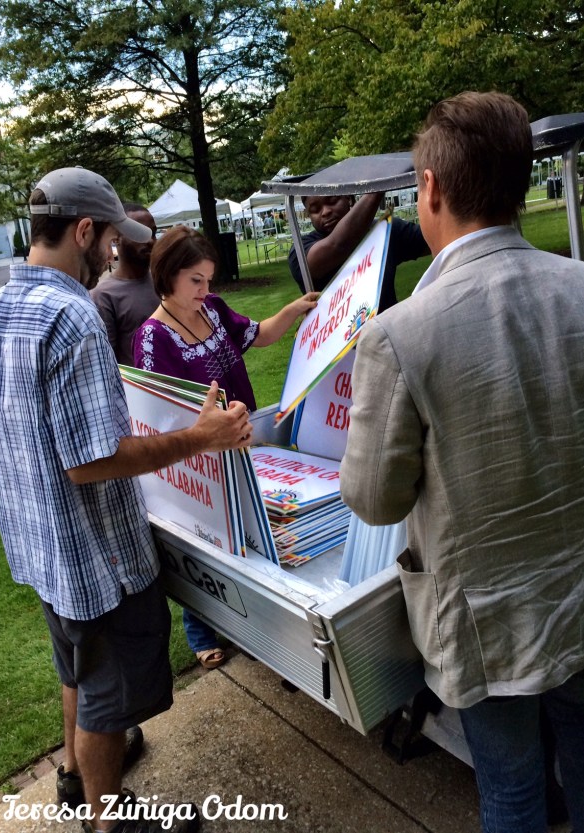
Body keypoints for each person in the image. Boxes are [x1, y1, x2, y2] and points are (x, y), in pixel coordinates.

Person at [0, 167, 253, 833]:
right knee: (104, 696)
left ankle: (72, 774)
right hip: (96, 556)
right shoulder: (74, 316)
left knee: (76, 667)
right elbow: (92, 459)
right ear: (85, 231)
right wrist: (197, 436)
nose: (117, 254)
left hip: (39, 544)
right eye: (111, 241)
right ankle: (107, 819)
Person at [340, 91, 584, 833]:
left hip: (486, 625)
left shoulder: (398, 335)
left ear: (431, 188)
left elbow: (375, 499)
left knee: (511, 795)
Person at [133, 225, 318, 668]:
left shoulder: (213, 309)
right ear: (167, 276)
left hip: (247, 443)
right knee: (209, 546)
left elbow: (260, 335)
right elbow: (157, 423)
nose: (205, 289)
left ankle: (256, 624)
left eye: (208, 279)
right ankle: (201, 629)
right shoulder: (151, 339)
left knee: (252, 540)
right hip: (200, 464)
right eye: (195, 280)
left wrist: (294, 309)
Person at [288, 191, 429, 310]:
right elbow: (337, 246)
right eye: (315, 209)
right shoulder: (300, 251)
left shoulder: (383, 229)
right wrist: (376, 189)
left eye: (332, 201)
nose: (325, 212)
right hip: (338, 342)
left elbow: (435, 237)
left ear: (349, 199)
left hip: (387, 335)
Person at [90, 203, 159, 366]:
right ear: (116, 238)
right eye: (139, 233)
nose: (150, 241)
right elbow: (109, 364)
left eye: (153, 233)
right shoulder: (103, 296)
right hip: (141, 390)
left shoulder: (165, 282)